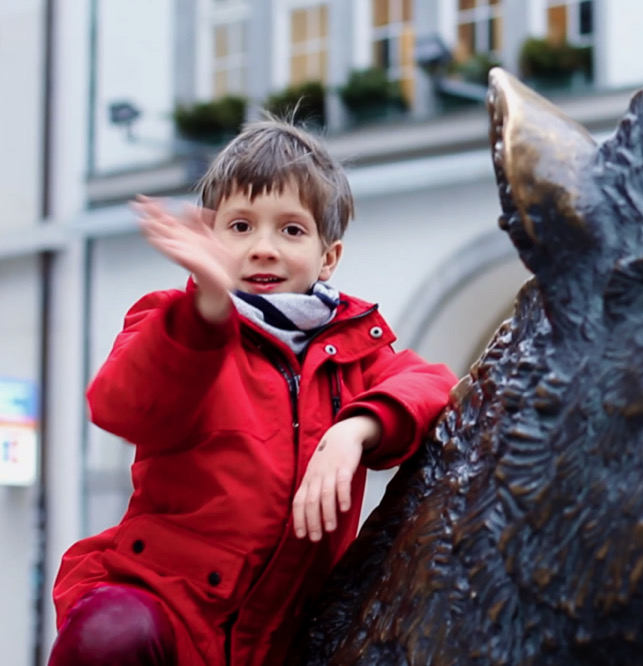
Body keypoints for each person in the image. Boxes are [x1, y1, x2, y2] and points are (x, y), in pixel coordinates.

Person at [49, 118, 458, 665]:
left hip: (280, 637)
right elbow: (121, 404)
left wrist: (352, 431)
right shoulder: (174, 320)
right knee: (109, 636)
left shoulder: (357, 349)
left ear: (328, 256)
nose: (263, 248)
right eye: (241, 227)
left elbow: (433, 382)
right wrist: (206, 310)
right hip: (165, 613)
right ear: (212, 237)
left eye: (291, 230)